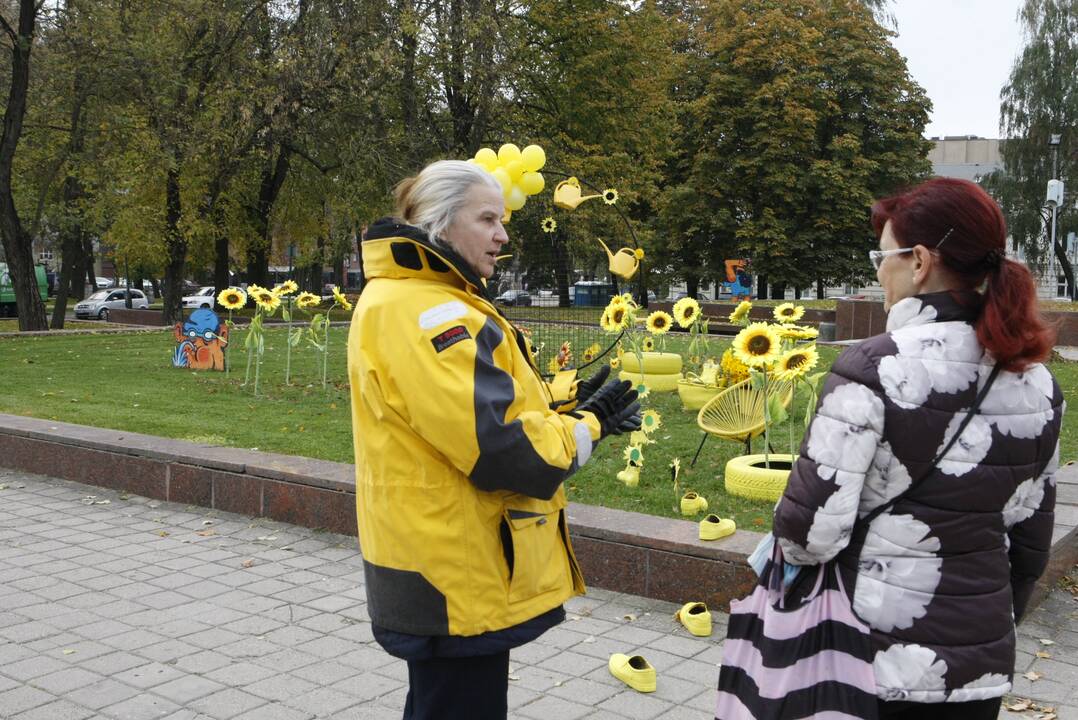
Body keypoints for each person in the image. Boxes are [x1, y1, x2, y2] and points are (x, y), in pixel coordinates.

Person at [346, 160, 640, 719]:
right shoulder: (431, 313)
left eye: (502, 220)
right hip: (455, 572)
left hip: (440, 563)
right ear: (440, 223)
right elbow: (507, 453)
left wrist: (562, 405)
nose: (503, 235)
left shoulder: (415, 298)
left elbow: (467, 415)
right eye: (487, 219)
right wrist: (588, 426)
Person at [768, 178, 1063, 718]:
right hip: (980, 667)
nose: (878, 272)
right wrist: (990, 621)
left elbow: (808, 533)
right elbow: (1030, 541)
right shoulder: (1037, 381)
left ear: (920, 261)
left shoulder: (872, 368)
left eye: (881, 257)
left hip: (870, 664)